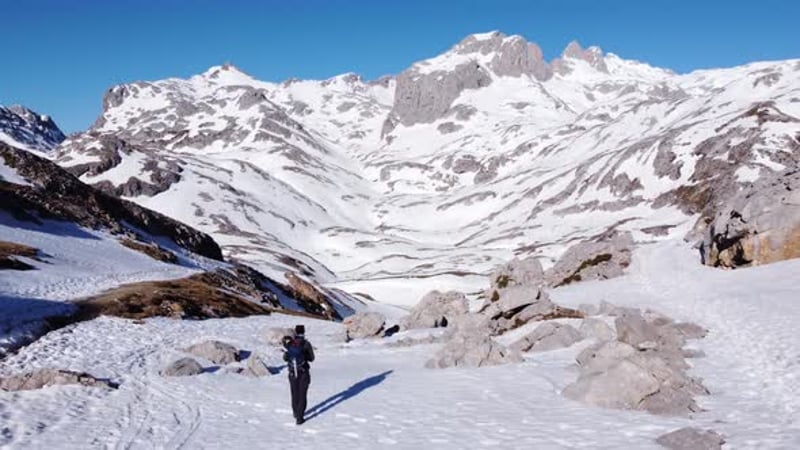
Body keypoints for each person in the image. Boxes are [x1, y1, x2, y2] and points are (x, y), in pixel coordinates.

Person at [282, 324, 315, 425]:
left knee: (294, 393)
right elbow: (312, 358)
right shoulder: (306, 344)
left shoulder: (290, 344)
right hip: (303, 372)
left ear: (295, 332)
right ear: (304, 332)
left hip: (292, 373)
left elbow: (285, 358)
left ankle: (295, 413)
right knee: (302, 395)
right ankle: (300, 418)